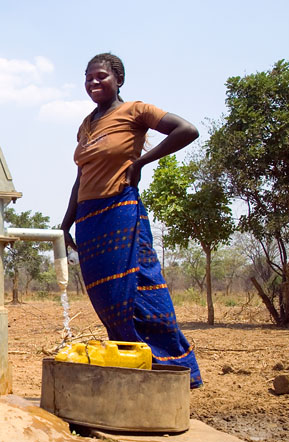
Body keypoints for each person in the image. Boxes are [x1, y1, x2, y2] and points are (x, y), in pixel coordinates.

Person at [60, 53, 203, 388]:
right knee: (108, 299)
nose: (93, 83)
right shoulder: (87, 123)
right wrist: (66, 224)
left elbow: (187, 130)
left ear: (119, 80)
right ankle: (132, 368)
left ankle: (171, 371)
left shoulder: (135, 110)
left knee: (139, 291)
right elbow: (82, 176)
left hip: (121, 212)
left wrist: (141, 163)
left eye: (101, 77)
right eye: (88, 78)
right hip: (89, 221)